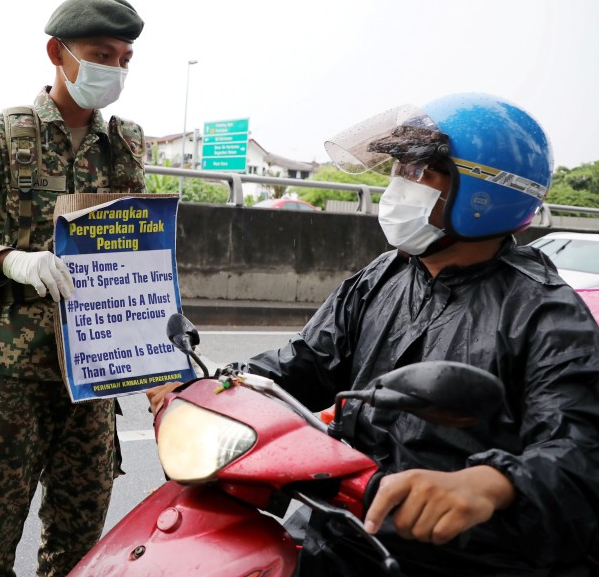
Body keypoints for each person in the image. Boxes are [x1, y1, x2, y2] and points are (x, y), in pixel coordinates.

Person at [148, 93, 599, 576]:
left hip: (462, 556)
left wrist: (491, 485)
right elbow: (304, 363)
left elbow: (579, 453)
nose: (398, 187)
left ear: (485, 195)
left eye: (419, 172)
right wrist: (216, 389)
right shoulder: (384, 275)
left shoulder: (545, 313)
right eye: (398, 170)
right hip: (339, 528)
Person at [0, 0, 147, 576]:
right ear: (57, 52)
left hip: (93, 379)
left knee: (78, 549)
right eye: (102, 54)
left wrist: (159, 322)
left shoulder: (123, 149)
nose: (115, 69)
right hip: (12, 377)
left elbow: (138, 250)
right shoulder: (1, 136)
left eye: (124, 58)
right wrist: (6, 261)